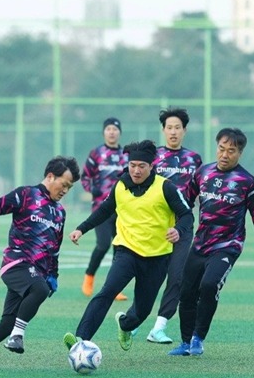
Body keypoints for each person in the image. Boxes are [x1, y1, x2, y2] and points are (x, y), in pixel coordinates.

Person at [0, 156, 80, 371]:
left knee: (6, 324)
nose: (66, 190)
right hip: (16, 263)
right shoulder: (27, 194)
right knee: (39, 289)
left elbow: (55, 249)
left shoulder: (60, 212)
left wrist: (53, 275)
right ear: (50, 176)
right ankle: (17, 336)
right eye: (64, 184)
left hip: (34, 273)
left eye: (70, 187)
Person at [63, 140, 192, 352]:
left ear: (151, 166)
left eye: (142, 166)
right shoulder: (120, 186)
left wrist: (178, 229)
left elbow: (186, 214)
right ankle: (80, 339)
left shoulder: (165, 187)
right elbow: (103, 211)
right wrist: (81, 229)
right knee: (107, 292)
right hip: (126, 251)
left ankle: (125, 324)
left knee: (141, 311)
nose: (136, 170)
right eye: (133, 165)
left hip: (157, 258)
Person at [169, 127, 254, 357]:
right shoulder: (203, 173)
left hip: (227, 246)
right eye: (221, 148)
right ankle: (185, 342)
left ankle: (198, 338)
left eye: (231, 151)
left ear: (240, 153)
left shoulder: (247, 182)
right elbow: (185, 201)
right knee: (186, 292)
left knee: (208, 285)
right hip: (199, 244)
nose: (225, 154)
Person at [144, 107, 203, 344]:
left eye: (177, 127)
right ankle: (135, 319)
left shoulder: (194, 159)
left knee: (177, 276)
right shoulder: (153, 157)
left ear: (185, 131)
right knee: (150, 277)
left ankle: (159, 327)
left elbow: (199, 190)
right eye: (169, 128)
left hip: (183, 225)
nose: (173, 132)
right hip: (155, 224)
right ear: (163, 130)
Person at [79, 117, 128, 301]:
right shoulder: (96, 153)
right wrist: (93, 189)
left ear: (119, 132)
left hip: (122, 209)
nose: (112, 132)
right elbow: (85, 177)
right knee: (103, 244)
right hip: (101, 208)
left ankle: (115, 288)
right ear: (104, 132)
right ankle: (89, 277)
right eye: (108, 129)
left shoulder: (126, 154)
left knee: (120, 247)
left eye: (115, 129)